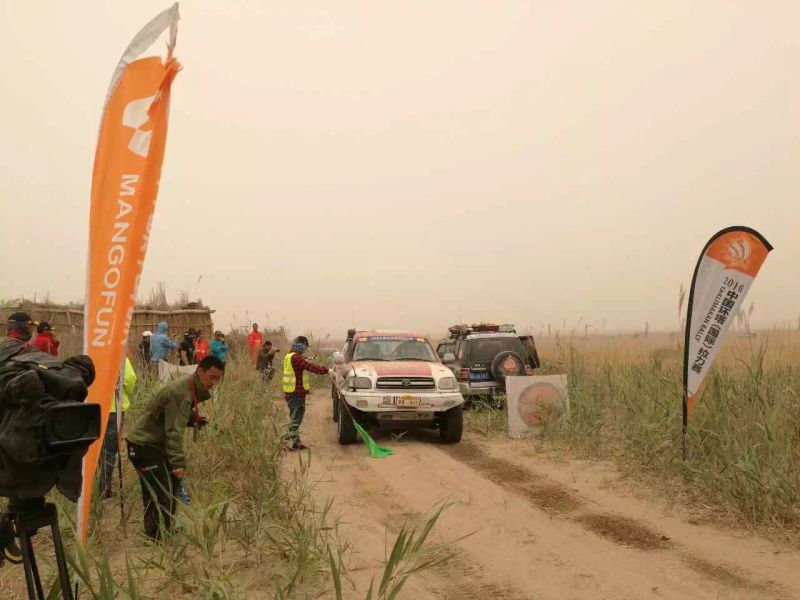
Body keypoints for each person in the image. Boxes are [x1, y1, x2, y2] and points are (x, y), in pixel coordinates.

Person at [125, 356, 224, 540]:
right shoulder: (182, 392)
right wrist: (178, 463)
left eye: (217, 379)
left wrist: (193, 418)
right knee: (160, 489)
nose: (214, 383)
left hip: (154, 444)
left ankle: (165, 530)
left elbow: (171, 414)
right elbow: (173, 432)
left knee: (169, 487)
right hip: (143, 445)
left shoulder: (189, 387)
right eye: (212, 377)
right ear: (199, 371)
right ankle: (156, 536)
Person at [282, 335, 331, 451]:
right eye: (304, 346)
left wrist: (306, 358)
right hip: (296, 393)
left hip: (290, 392)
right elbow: (310, 367)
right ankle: (285, 442)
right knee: (296, 419)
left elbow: (301, 362)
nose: (305, 348)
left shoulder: (289, 356)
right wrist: (328, 370)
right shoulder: (296, 358)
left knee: (294, 417)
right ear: (300, 345)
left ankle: (296, 443)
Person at [99, 355, 137, 499]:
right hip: (114, 409)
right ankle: (103, 489)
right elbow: (130, 378)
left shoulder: (93, 352)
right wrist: (125, 392)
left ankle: (94, 487)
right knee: (109, 451)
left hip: (93, 408)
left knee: (96, 450)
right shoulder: (119, 356)